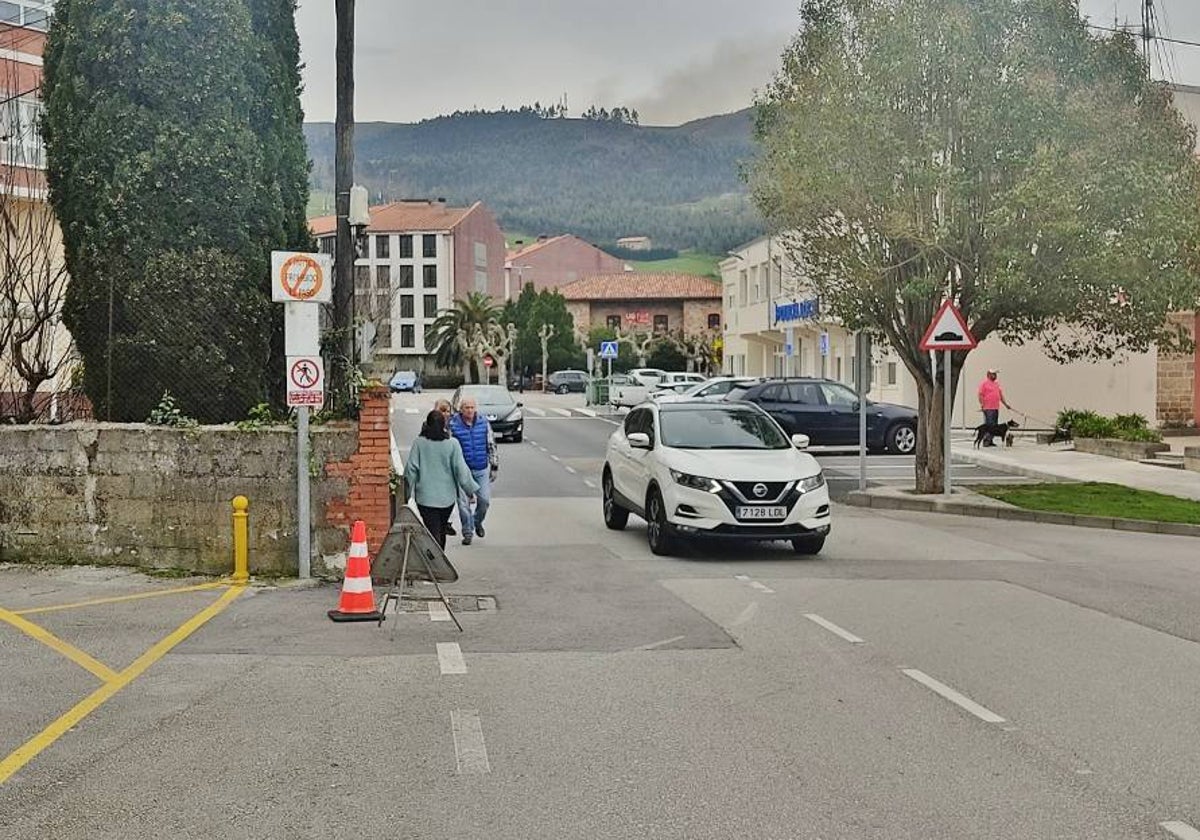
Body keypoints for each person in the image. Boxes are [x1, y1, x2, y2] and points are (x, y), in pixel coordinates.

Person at [403, 410, 479, 549]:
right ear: (444, 425)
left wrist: (406, 494)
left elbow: (411, 470)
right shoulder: (452, 444)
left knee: (432, 531)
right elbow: (461, 469)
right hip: (447, 498)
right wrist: (470, 489)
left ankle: (437, 564)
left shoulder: (419, 443)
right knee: (441, 529)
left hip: (425, 497)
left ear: (427, 424)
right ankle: (440, 561)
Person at [449, 396, 497, 546]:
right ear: (461, 409)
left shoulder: (483, 423)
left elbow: (491, 444)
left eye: (472, 407)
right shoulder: (453, 424)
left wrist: (494, 465)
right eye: (466, 408)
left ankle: (477, 522)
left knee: (484, 500)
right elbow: (449, 448)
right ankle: (467, 532)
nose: (470, 411)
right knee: (463, 504)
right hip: (462, 470)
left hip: (481, 468)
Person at [433, 399, 457, 536]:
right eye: (442, 410)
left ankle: (446, 523)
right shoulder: (428, 428)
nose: (446, 414)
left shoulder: (452, 427)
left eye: (448, 411)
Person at [977, 368, 1013, 447]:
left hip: (996, 407)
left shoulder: (997, 384)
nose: (995, 376)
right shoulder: (984, 384)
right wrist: (982, 405)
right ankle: (986, 440)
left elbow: (1000, 395)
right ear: (988, 375)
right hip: (988, 408)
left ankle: (990, 440)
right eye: (993, 374)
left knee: (995, 426)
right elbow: (980, 395)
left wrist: (1006, 404)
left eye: (995, 374)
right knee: (989, 425)